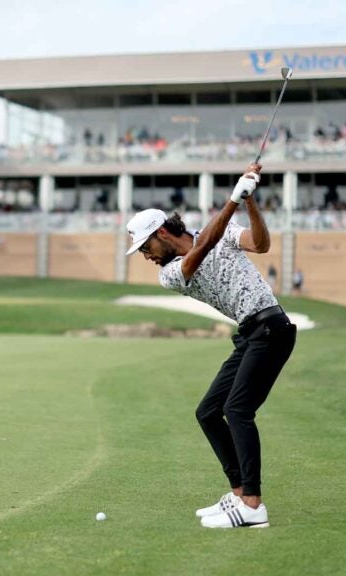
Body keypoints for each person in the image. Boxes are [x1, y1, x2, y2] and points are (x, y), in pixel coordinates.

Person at [126, 163, 296, 529]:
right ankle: (238, 493)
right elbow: (202, 249)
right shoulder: (170, 273)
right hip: (251, 335)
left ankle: (252, 504)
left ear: (162, 233)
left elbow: (261, 244)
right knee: (208, 412)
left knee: (237, 410)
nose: (146, 255)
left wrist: (248, 200)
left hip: (272, 328)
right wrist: (233, 200)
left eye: (145, 246)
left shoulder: (221, 231)